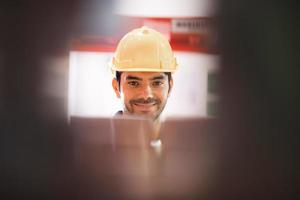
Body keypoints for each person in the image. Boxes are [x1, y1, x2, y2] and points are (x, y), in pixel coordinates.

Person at [110, 26, 178, 142]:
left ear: (170, 87)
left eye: (157, 83)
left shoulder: (185, 147)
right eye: (134, 83)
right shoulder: (92, 146)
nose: (146, 95)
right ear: (116, 87)